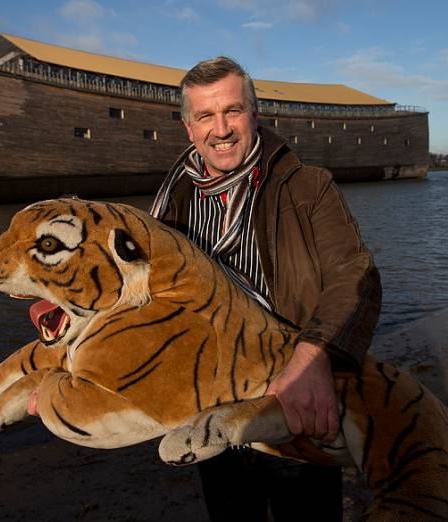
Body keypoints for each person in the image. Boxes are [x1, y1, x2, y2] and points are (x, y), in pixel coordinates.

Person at [149, 56, 382, 521]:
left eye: (232, 111)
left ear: (255, 115)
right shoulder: (169, 207)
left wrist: (313, 358)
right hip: (211, 405)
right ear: (187, 128)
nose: (221, 129)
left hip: (290, 399)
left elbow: (355, 276)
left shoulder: (308, 188)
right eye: (205, 116)